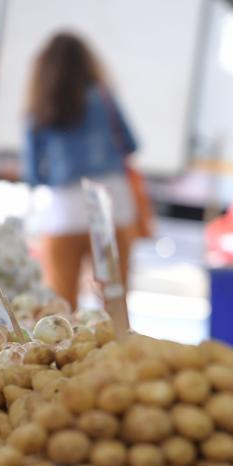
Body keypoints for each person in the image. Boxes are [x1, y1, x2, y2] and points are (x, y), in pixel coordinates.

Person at [22, 32, 139, 309]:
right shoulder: (103, 97)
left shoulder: (40, 106)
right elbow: (131, 144)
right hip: (110, 206)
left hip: (64, 211)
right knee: (114, 306)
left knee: (61, 309)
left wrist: (60, 173)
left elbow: (34, 174)